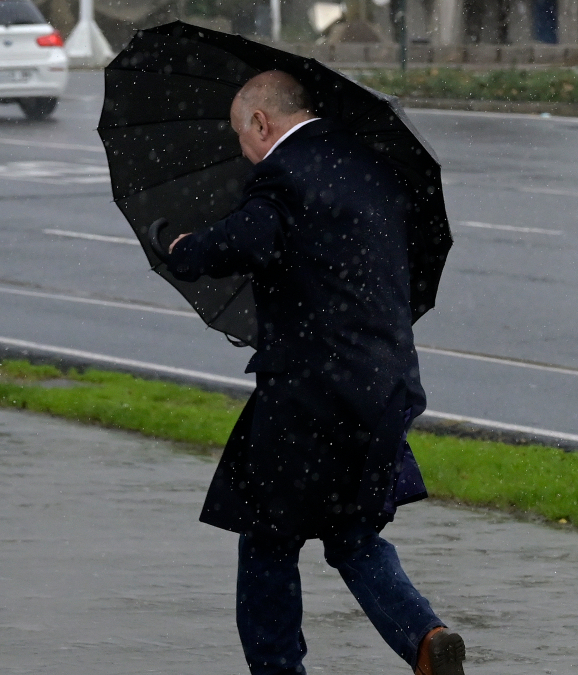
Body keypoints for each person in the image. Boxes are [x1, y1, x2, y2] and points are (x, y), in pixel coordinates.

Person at [163, 70, 466, 675]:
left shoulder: (282, 173)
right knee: (351, 535)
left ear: (261, 122)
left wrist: (182, 246)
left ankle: (277, 671)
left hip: (311, 395)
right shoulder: (370, 165)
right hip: (385, 385)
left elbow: (243, 243)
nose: (243, 151)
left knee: (266, 537)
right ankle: (425, 639)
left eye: (240, 135)